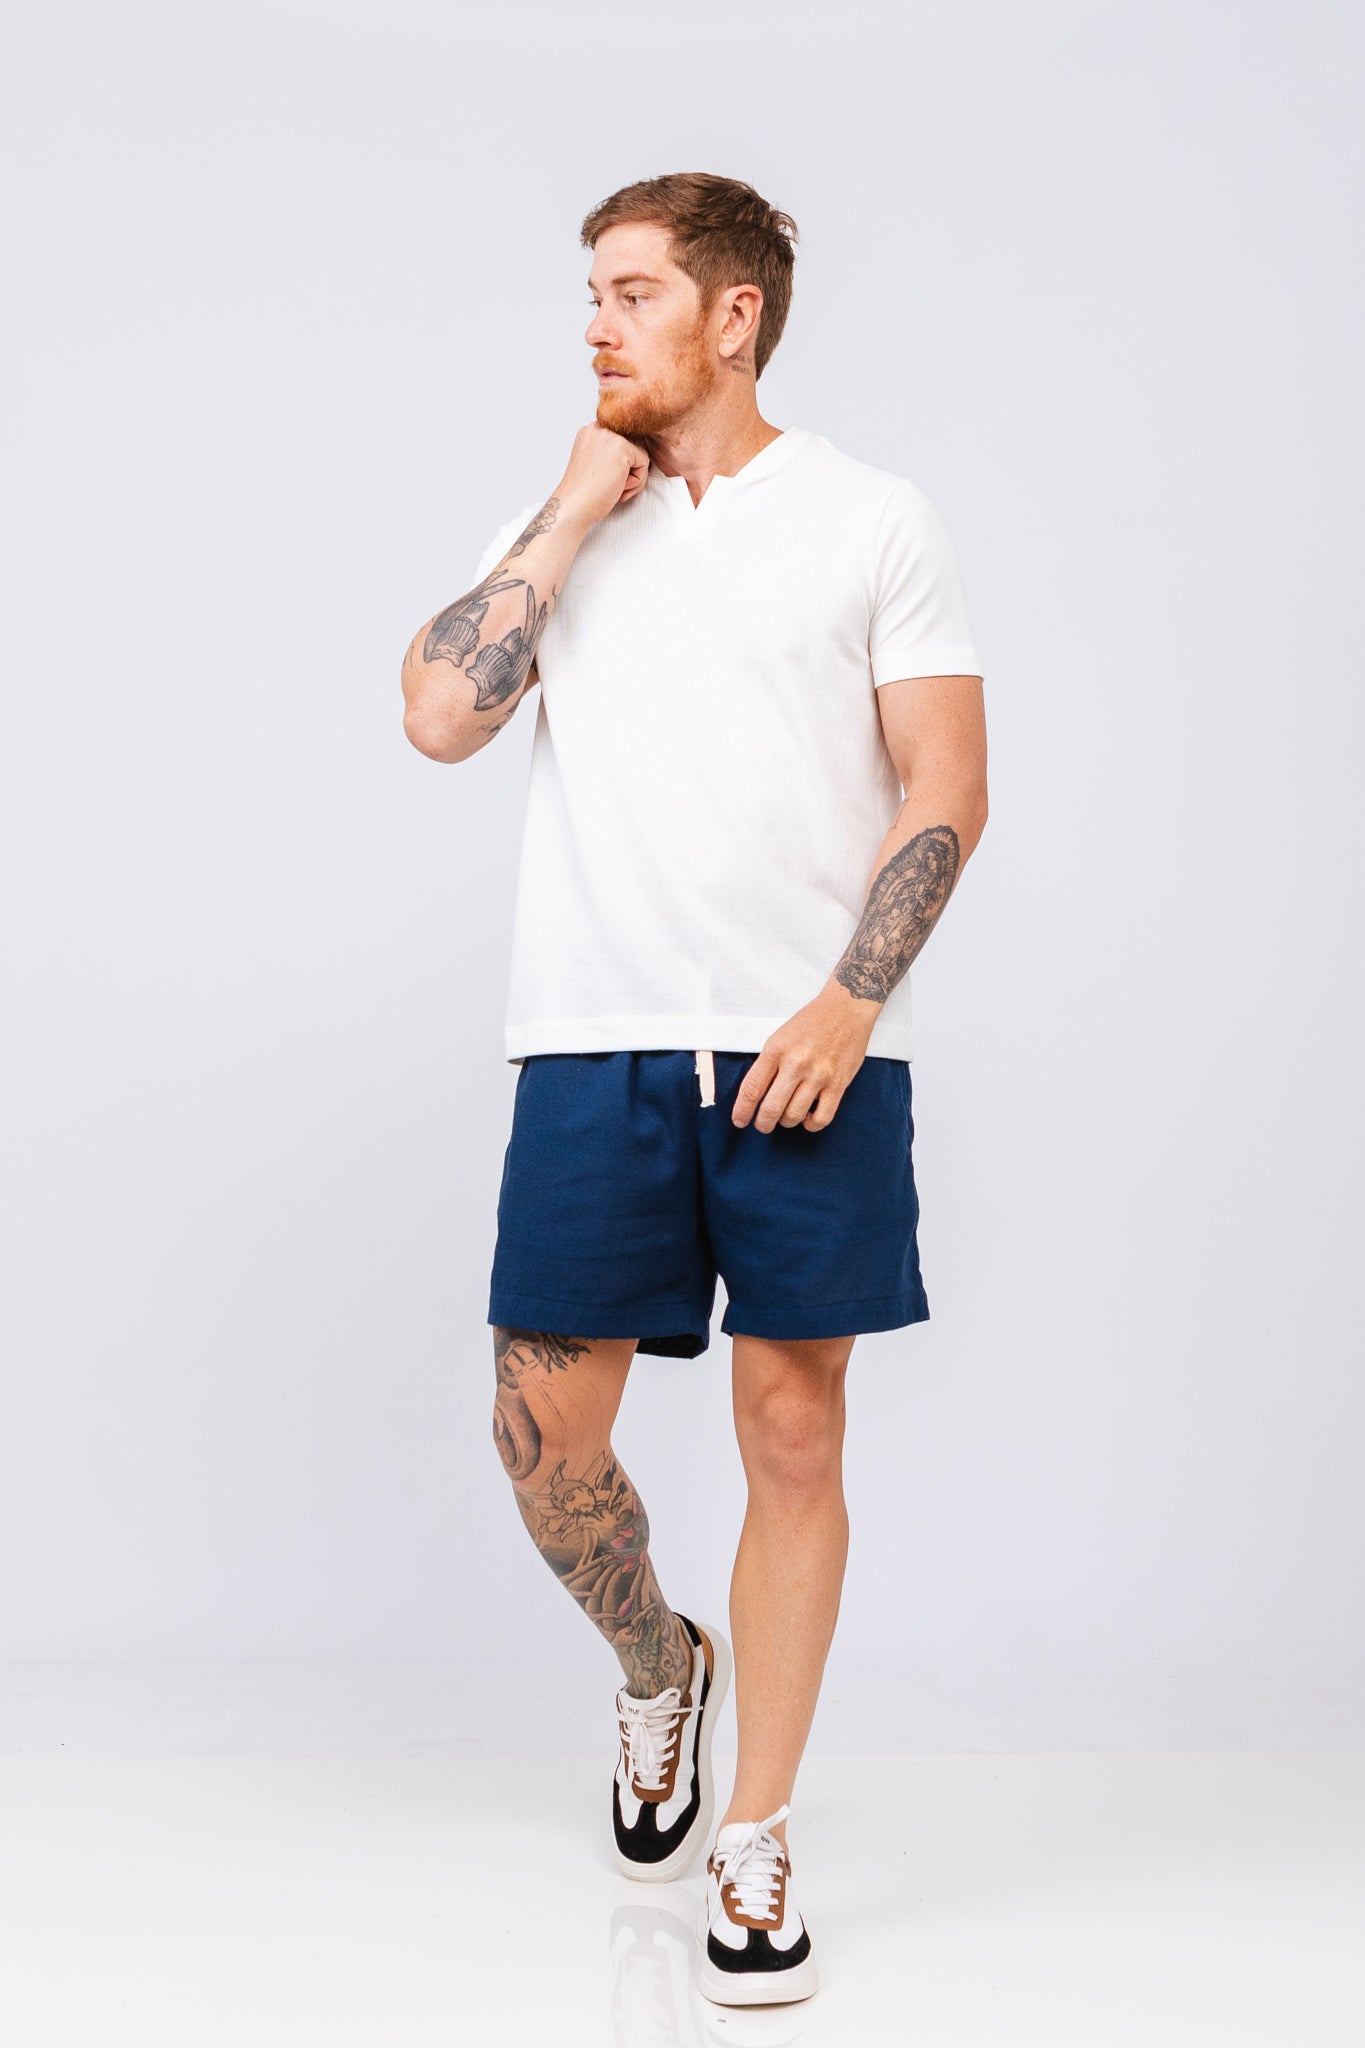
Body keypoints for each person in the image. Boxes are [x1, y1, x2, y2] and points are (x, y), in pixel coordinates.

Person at [400, 171, 988, 2009]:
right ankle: (660, 1663)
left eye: (633, 291)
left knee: (791, 1435)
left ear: (733, 317)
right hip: (592, 1036)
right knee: (541, 1436)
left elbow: (945, 784)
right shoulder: (562, 524)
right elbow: (437, 717)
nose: (596, 324)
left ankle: (754, 1829)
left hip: (807, 1045)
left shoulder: (872, 516)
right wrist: (575, 508)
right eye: (590, 292)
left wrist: (849, 1003)